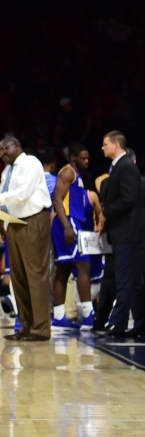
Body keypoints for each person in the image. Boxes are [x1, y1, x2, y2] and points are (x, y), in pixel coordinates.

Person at [0, 137, 53, 341]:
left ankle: (41, 328)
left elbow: (22, 194)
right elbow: (2, 196)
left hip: (33, 220)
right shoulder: (7, 171)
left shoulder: (30, 163)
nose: (2, 154)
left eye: (5, 149)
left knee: (36, 274)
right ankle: (26, 326)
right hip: (14, 222)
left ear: (17, 145)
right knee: (18, 277)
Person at [97, 131, 145, 338]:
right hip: (122, 233)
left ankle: (117, 323)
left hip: (129, 232)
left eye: (105, 144)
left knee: (124, 279)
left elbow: (129, 199)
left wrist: (106, 213)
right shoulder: (119, 167)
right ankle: (140, 324)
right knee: (132, 281)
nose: (102, 148)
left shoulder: (126, 167)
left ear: (115, 145)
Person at [50, 144, 95, 330]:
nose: (86, 161)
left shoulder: (77, 174)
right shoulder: (68, 173)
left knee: (63, 270)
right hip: (67, 222)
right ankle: (87, 314)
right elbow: (57, 199)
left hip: (72, 221)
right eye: (83, 158)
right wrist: (67, 225)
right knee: (83, 265)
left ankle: (59, 316)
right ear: (73, 157)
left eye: (88, 158)